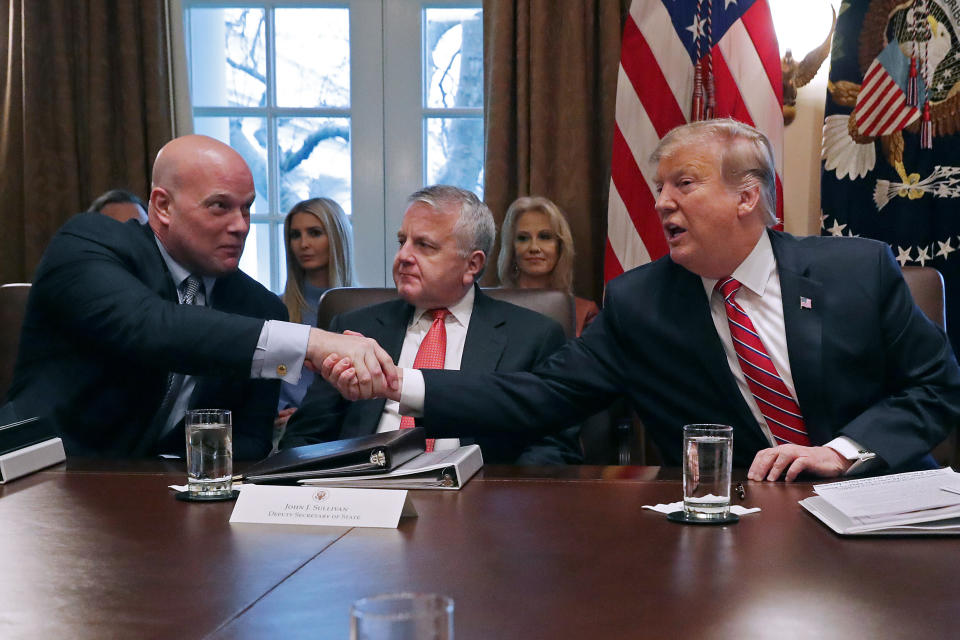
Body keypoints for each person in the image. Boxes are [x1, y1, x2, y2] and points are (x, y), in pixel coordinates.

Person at [323, 119, 960, 481]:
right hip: (739, 521)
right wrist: (399, 384)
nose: (660, 203)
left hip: (881, 499)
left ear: (747, 197)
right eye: (659, 187)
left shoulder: (857, 270)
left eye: (684, 184)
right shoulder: (640, 304)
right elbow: (538, 396)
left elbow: (936, 389)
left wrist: (840, 451)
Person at [3, 134, 395, 459]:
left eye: (247, 209)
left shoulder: (259, 306)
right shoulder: (90, 245)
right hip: (44, 477)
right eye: (220, 207)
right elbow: (151, 327)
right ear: (163, 206)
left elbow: (251, 443)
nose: (240, 226)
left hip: (163, 499)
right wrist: (313, 342)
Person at [281, 185, 582, 464]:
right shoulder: (355, 328)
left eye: (424, 245)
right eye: (402, 242)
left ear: (472, 264)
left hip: (475, 504)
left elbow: (553, 451)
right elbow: (302, 438)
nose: (403, 257)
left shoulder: (533, 336)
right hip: (364, 497)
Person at [275, 198, 356, 434]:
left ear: (337, 238)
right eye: (295, 235)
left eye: (314, 233)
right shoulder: (276, 308)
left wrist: (309, 416)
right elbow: (267, 378)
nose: (303, 244)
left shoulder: (366, 309)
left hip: (345, 432)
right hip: (282, 431)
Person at [497, 196, 600, 336]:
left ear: (560, 247)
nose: (534, 247)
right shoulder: (489, 306)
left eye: (545, 237)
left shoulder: (583, 313)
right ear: (512, 249)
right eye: (523, 238)